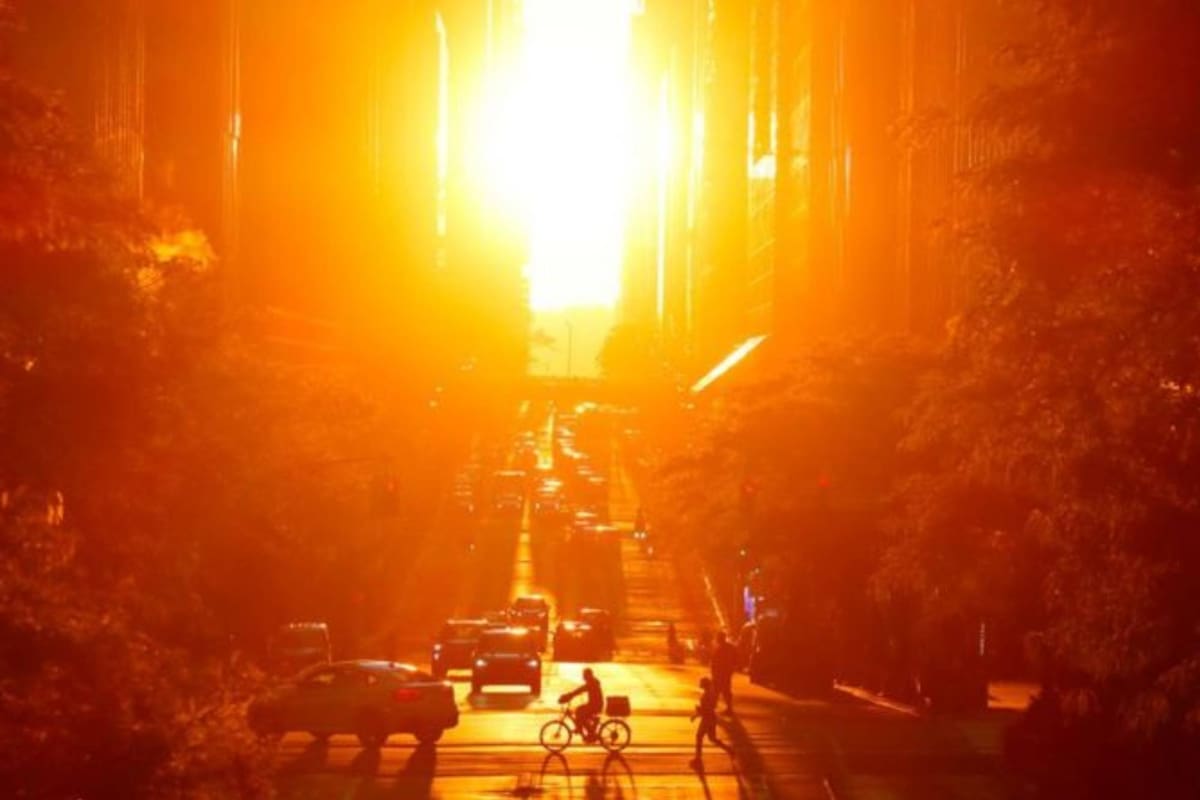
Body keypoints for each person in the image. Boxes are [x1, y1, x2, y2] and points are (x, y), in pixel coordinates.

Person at [689, 676, 728, 769]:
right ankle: (730, 750)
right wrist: (697, 713)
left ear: (704, 685)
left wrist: (697, 712)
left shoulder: (707, 694)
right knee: (712, 738)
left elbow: (707, 708)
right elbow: (709, 707)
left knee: (699, 736)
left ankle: (698, 758)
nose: (700, 684)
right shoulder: (710, 693)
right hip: (711, 718)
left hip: (707, 719)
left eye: (701, 683)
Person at [558, 667, 604, 741]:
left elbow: (581, 689)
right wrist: (571, 695)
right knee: (579, 710)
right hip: (594, 704)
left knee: (579, 712)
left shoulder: (592, 682)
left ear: (588, 675)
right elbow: (582, 689)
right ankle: (583, 729)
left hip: (596, 705)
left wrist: (570, 695)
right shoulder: (592, 681)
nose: (583, 677)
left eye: (584, 675)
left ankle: (585, 730)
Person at [711, 630, 737, 713]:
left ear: (720, 638)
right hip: (726, 672)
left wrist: (714, 672)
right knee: (725, 690)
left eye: (717, 638)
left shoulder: (720, 648)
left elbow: (716, 662)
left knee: (717, 690)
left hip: (720, 673)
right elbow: (735, 659)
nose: (716, 639)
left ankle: (712, 707)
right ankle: (727, 708)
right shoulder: (730, 647)